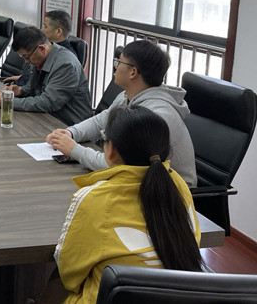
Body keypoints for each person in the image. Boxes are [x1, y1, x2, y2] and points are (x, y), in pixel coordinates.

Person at [53, 106, 201, 303]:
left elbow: (69, 273)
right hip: (177, 297)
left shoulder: (95, 198)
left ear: (111, 150)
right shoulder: (178, 185)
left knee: (49, 284)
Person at [46, 39, 197, 187]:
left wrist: (74, 150)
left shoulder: (153, 116)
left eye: (119, 62)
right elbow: (100, 121)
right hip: (141, 183)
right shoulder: (127, 95)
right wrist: (70, 133)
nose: (115, 67)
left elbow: (118, 166)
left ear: (133, 72)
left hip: (171, 194)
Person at [0, 26, 92, 125]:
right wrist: (21, 90)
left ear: (42, 49)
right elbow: (33, 87)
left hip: (70, 124)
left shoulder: (65, 65)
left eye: (27, 57)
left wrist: (8, 102)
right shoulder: (39, 58)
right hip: (48, 116)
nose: (26, 61)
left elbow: (47, 103)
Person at [3, 10, 78, 86]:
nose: (42, 30)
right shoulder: (49, 48)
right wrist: (21, 78)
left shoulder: (64, 59)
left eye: (45, 26)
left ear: (58, 32)